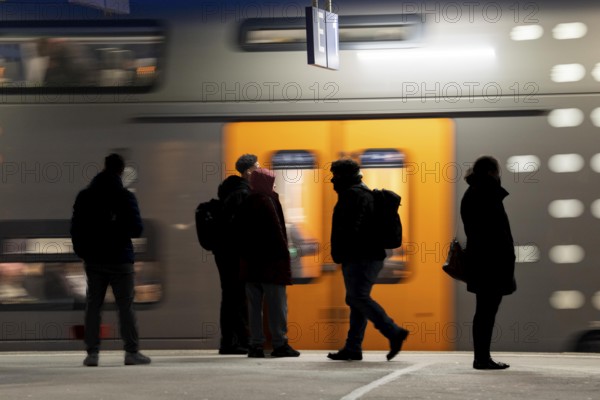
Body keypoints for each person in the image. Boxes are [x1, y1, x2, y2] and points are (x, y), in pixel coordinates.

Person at [70, 154, 151, 367]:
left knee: (93, 306)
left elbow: (76, 229)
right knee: (125, 306)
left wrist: (83, 253)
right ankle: (131, 353)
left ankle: (92, 354)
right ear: (121, 171)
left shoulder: (85, 196)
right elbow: (137, 229)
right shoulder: (125, 197)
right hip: (120, 260)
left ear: (104, 167)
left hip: (94, 260)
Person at [327, 158, 408, 362]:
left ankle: (393, 331)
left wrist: (343, 252)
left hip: (360, 256)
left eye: (335, 176)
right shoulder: (361, 192)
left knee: (358, 298)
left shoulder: (352, 195)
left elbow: (351, 228)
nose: (332, 180)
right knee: (357, 300)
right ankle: (353, 347)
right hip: (367, 255)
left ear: (344, 176)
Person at [235, 168, 300, 358]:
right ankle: (280, 344)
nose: (274, 185)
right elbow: (277, 232)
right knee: (277, 306)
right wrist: (285, 259)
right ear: (266, 183)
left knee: (254, 308)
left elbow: (238, 235)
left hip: (250, 267)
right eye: (271, 181)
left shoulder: (245, 202)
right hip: (271, 266)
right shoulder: (268, 200)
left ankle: (256, 345)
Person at [460, 155, 516, 370]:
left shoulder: (473, 191)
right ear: (492, 172)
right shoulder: (486, 192)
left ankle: (482, 357)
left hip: (482, 260)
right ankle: (482, 358)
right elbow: (496, 233)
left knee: (484, 310)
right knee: (486, 312)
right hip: (490, 262)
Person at [211, 154, 259, 354]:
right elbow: (243, 228)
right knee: (237, 297)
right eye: (257, 168)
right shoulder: (242, 194)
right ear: (248, 172)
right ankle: (239, 342)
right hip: (235, 254)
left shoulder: (230, 191)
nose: (260, 171)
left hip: (225, 253)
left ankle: (229, 342)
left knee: (230, 296)